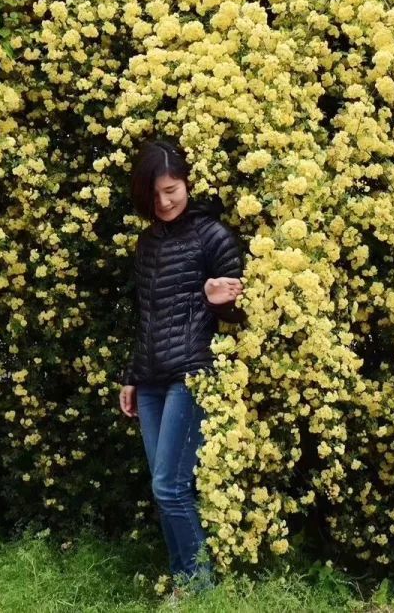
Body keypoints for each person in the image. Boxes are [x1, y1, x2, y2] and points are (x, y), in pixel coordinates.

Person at [117, 138, 247, 596]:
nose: (165, 201)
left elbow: (239, 312)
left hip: (192, 372)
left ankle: (200, 587)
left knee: (171, 487)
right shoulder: (147, 243)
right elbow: (146, 313)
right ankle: (185, 584)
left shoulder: (212, 236)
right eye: (155, 194)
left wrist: (222, 304)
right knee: (163, 489)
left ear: (186, 183)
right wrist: (131, 377)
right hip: (151, 377)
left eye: (171, 189)